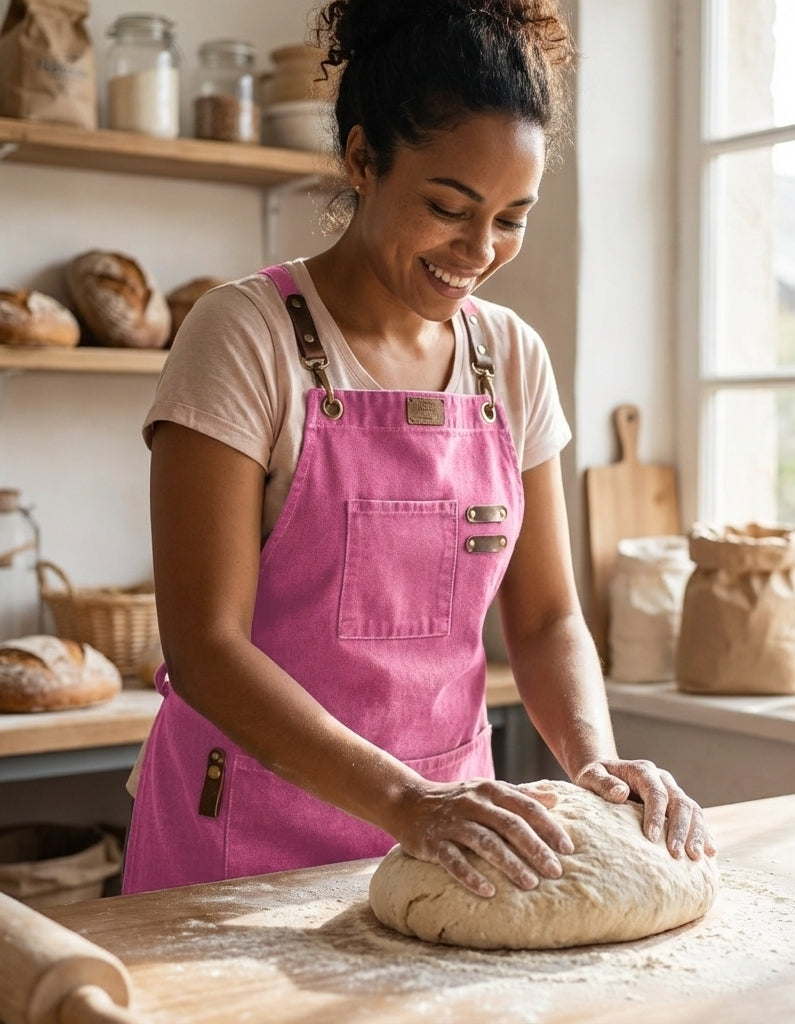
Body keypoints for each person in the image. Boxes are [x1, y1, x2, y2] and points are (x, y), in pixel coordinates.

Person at [121, 0, 714, 897]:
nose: (479, 251)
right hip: (243, 845)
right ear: (363, 159)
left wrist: (596, 760)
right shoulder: (243, 336)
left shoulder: (509, 357)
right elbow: (204, 647)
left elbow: (549, 617)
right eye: (449, 207)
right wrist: (407, 800)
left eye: (513, 217)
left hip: (449, 840)